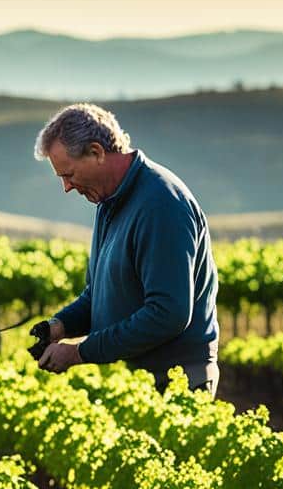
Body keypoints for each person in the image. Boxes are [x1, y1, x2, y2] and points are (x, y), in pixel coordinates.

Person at [29, 103, 220, 394]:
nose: (67, 187)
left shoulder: (160, 204)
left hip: (174, 381)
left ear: (97, 152)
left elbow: (168, 313)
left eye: (68, 175)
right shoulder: (108, 201)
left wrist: (79, 352)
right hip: (137, 380)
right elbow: (100, 295)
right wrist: (59, 326)